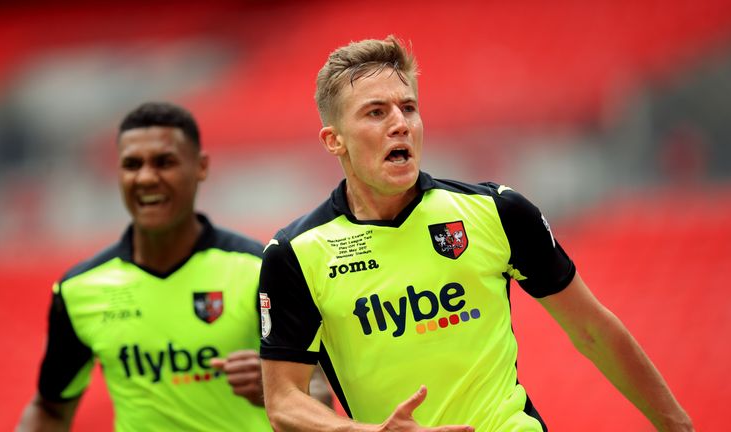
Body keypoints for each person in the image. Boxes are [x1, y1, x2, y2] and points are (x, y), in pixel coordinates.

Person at [257, 36, 694, 431]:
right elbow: (284, 402)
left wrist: (677, 425)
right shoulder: (296, 254)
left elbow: (593, 330)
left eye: (408, 108)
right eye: (376, 112)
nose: (400, 123)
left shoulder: (496, 212)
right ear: (334, 141)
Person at [16, 102, 273, 431]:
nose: (147, 178)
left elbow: (318, 391)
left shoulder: (261, 268)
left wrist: (277, 388)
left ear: (201, 166)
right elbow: (50, 409)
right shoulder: (79, 290)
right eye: (132, 164)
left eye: (164, 162)